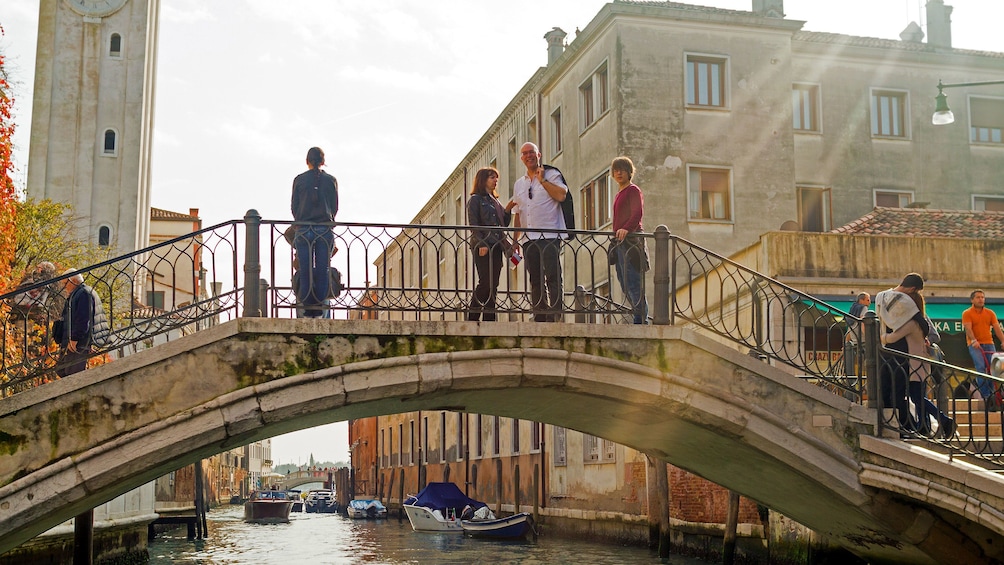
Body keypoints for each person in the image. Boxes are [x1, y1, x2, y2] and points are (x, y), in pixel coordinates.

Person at [880, 290, 956, 438]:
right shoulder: (920, 320)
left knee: (917, 397)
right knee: (917, 397)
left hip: (915, 365)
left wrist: (880, 334)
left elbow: (892, 337)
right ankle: (925, 427)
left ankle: (943, 421)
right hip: (919, 363)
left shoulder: (913, 322)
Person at [509, 142, 568, 322]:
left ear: (539, 154)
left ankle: (556, 313)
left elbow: (561, 195)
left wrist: (543, 180)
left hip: (549, 235)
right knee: (535, 278)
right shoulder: (519, 184)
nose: (528, 156)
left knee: (552, 275)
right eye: (525, 153)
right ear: (521, 158)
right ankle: (540, 314)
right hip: (529, 239)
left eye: (531, 152)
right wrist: (515, 241)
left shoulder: (552, 174)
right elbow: (518, 213)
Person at [291, 147, 339, 318]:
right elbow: (334, 207)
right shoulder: (331, 180)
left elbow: (294, 207)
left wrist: (302, 219)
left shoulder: (299, 180)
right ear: (323, 161)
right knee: (322, 269)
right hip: (324, 229)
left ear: (307, 161)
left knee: (305, 269)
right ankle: (319, 305)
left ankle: (307, 305)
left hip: (304, 229)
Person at [874, 273, 924, 434]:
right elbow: (922, 322)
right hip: (900, 352)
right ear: (912, 288)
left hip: (883, 350)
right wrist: (924, 334)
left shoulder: (881, 296)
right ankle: (905, 426)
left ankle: (888, 424)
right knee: (899, 391)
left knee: (885, 390)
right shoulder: (907, 301)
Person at [466, 167, 513, 321]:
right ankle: (472, 317)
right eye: (492, 177)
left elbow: (503, 224)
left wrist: (508, 209)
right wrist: (481, 243)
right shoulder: (475, 200)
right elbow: (474, 223)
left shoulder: (495, 201)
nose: (495, 181)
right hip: (483, 245)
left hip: (497, 246)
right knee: (485, 281)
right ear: (483, 180)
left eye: (496, 178)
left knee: (494, 283)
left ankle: (489, 318)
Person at [609, 156, 648, 324]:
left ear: (629, 172)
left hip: (631, 241)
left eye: (622, 170)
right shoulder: (619, 193)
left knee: (633, 283)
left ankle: (641, 321)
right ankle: (638, 317)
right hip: (620, 242)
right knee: (624, 283)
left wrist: (626, 228)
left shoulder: (633, 190)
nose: (618, 173)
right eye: (616, 170)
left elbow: (637, 213)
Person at [51, 269, 110, 377]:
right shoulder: (80, 293)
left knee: (72, 375)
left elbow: (83, 320)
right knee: (63, 371)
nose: (64, 287)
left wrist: (74, 340)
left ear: (73, 281)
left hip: (78, 343)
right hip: (77, 342)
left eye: (65, 284)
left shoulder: (83, 294)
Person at [962, 289, 1004, 406]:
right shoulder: (967, 313)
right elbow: (968, 328)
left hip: (989, 343)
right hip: (975, 344)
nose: (981, 299)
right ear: (972, 300)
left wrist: (1003, 341)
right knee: (981, 367)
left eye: (982, 297)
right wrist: (974, 340)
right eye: (978, 297)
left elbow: (997, 328)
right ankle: (985, 395)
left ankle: (993, 394)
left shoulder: (990, 313)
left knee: (993, 369)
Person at [843, 292, 870, 376]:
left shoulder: (852, 309)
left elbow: (850, 328)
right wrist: (869, 338)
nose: (869, 302)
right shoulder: (864, 308)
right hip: (863, 341)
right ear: (861, 300)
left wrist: (845, 344)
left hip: (854, 342)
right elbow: (863, 324)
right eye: (868, 300)